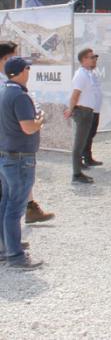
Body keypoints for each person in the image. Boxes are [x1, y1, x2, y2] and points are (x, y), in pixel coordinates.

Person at [0, 41, 54, 224]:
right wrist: (37, 121)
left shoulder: (8, 84)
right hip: (11, 146)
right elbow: (25, 124)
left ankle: (10, 239)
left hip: (9, 145)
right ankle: (10, 245)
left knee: (10, 195)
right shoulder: (7, 86)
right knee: (10, 198)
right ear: (5, 58)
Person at [0, 57, 45, 270]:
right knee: (15, 207)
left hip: (7, 155)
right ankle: (16, 256)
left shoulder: (3, 92)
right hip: (20, 157)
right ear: (21, 71)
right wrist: (40, 120)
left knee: (6, 204)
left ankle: (6, 247)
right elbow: (28, 127)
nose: (29, 71)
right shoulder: (19, 95)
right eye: (27, 68)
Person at [64, 48, 102, 184]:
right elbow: (75, 94)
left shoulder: (89, 74)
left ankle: (79, 170)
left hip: (88, 111)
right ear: (83, 60)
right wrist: (70, 109)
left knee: (83, 141)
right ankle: (76, 173)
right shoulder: (81, 75)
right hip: (82, 111)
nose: (94, 59)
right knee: (79, 143)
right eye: (91, 57)